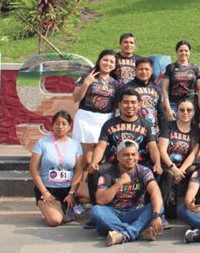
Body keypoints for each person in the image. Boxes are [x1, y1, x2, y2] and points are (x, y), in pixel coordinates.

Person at [88, 89, 162, 206]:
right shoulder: (109, 124)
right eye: (126, 102)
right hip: (114, 165)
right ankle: (97, 208)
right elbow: (101, 146)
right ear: (119, 105)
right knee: (94, 172)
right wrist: (94, 163)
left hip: (139, 165)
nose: (129, 106)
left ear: (139, 105)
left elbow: (153, 147)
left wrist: (157, 163)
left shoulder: (147, 125)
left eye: (133, 102)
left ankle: (151, 208)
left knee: (160, 172)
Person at [90, 139, 163, 246]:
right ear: (118, 157)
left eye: (133, 154)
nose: (130, 158)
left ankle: (123, 234)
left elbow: (155, 191)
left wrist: (156, 215)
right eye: (126, 155)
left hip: (135, 212)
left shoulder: (144, 171)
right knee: (96, 211)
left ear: (138, 156)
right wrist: (119, 183)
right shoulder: (108, 172)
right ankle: (138, 232)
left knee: (159, 207)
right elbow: (100, 200)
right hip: (113, 213)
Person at [29, 111, 85, 226]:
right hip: (48, 189)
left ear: (69, 126)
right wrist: (44, 192)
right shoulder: (42, 143)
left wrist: (72, 192)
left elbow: (79, 170)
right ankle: (51, 208)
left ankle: (61, 208)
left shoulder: (75, 145)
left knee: (70, 216)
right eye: (57, 123)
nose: (60, 127)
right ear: (52, 125)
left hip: (68, 190)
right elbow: (33, 169)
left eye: (64, 124)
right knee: (55, 221)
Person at [72, 50, 119, 178]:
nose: (108, 63)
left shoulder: (115, 83)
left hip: (105, 119)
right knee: (86, 158)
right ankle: (76, 188)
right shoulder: (86, 76)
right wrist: (86, 83)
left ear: (115, 65)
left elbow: (116, 104)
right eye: (105, 60)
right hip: (85, 118)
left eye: (111, 62)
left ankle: (88, 188)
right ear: (99, 61)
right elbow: (75, 98)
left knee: (97, 158)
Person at [157, 98, 200, 220]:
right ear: (177, 111)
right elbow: (162, 150)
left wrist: (180, 170)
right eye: (182, 110)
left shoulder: (197, 131)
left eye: (189, 110)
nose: (185, 113)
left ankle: (192, 207)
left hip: (182, 168)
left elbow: (192, 155)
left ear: (194, 112)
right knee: (169, 174)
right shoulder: (169, 126)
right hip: (167, 165)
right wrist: (173, 168)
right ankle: (160, 213)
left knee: (196, 170)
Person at [117, 57, 167, 134]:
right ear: (135, 71)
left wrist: (164, 133)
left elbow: (161, 113)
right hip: (132, 129)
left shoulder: (156, 89)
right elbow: (118, 110)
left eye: (146, 69)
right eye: (140, 69)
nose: (144, 72)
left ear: (151, 71)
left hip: (152, 129)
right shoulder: (126, 88)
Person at [162, 40, 200, 122]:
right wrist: (168, 108)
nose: (183, 53)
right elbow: (165, 89)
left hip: (191, 104)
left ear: (190, 52)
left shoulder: (195, 68)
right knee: (173, 129)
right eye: (180, 50)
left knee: (191, 130)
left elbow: (199, 90)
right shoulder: (170, 68)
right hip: (174, 104)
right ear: (177, 52)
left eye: (186, 50)